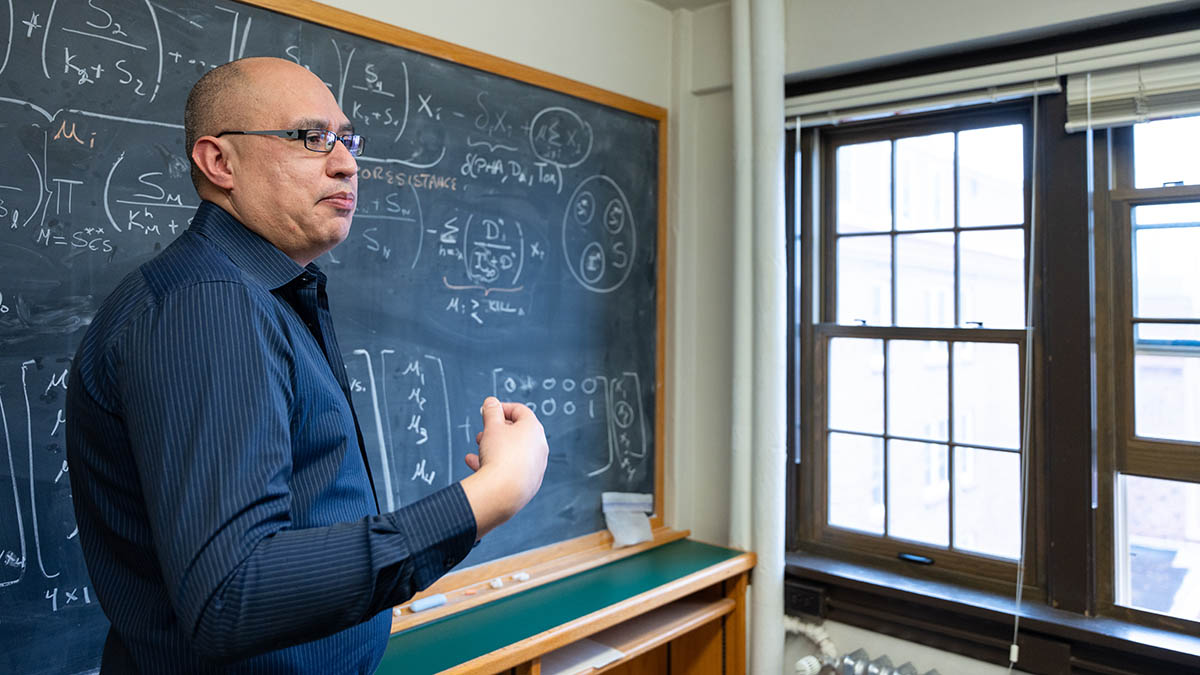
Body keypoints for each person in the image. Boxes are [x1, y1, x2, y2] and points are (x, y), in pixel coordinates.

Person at [65, 56, 549, 673]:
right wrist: (491, 496)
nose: (346, 161)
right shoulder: (208, 307)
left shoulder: (255, 296)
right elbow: (231, 595)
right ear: (220, 163)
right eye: (309, 137)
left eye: (347, 140)